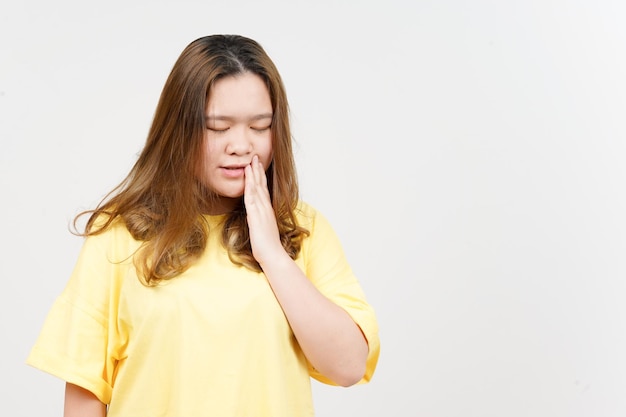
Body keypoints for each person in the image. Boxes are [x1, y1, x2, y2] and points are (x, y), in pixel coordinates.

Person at [26, 34, 380, 417]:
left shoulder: (303, 229)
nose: (241, 145)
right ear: (178, 128)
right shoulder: (119, 234)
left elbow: (347, 366)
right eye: (218, 127)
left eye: (259, 127)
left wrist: (272, 255)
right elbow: (85, 395)